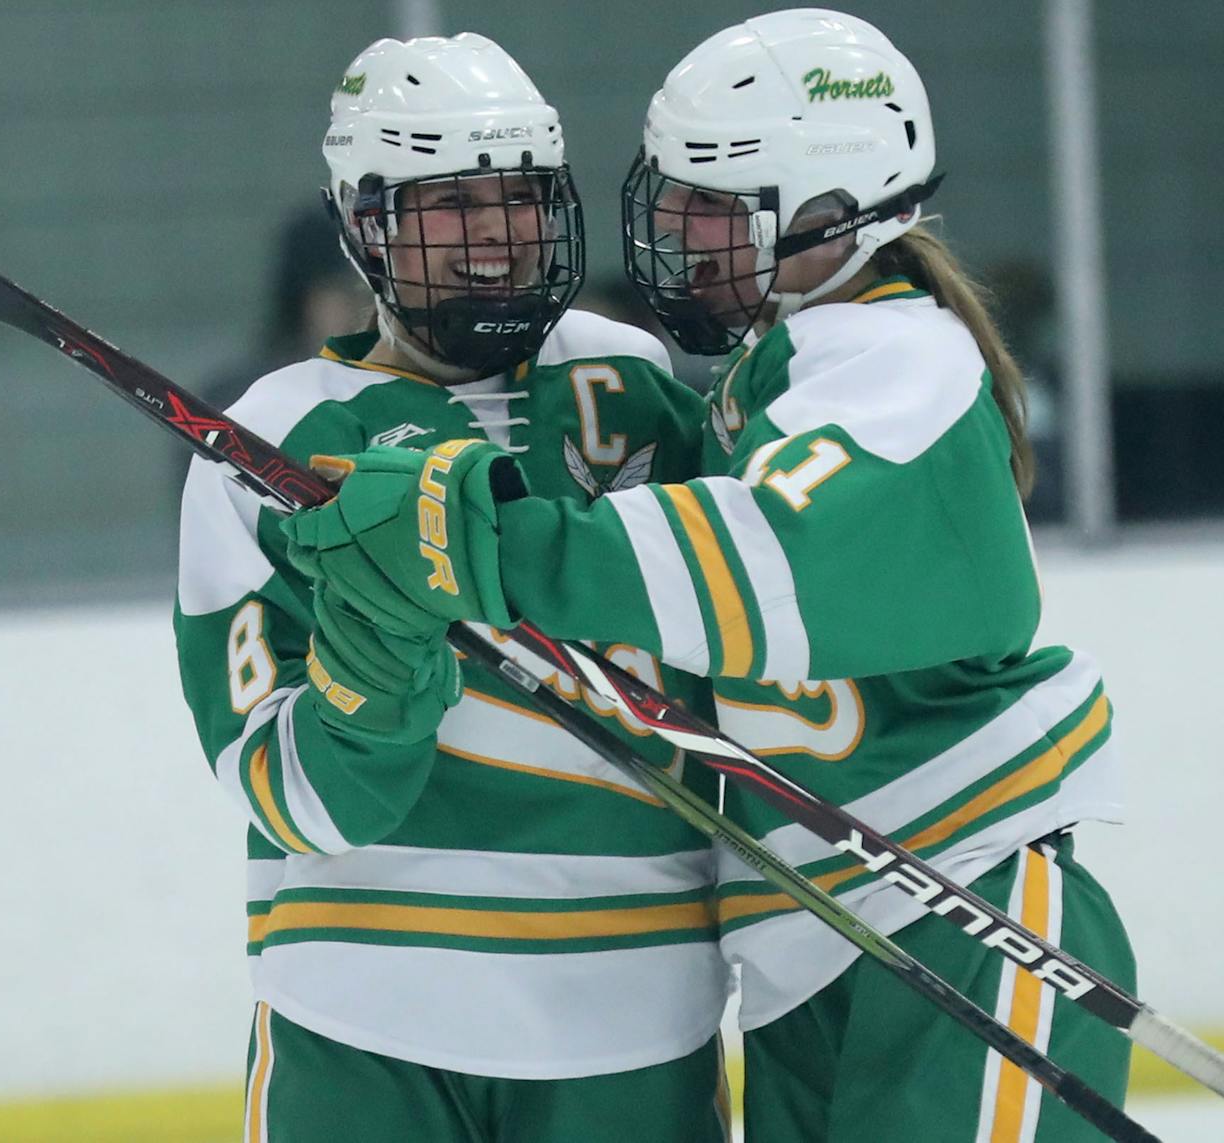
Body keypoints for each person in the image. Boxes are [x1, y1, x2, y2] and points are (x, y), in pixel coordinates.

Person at [285, 11, 1135, 1142]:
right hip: (808, 944)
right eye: (673, 195)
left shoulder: (904, 362)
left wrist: (481, 537)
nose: (679, 231)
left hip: (958, 897)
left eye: (714, 206)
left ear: (833, 213)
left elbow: (757, 562)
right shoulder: (765, 380)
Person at [174, 32, 732, 1143]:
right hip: (360, 1011)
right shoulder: (272, 442)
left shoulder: (633, 382)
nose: (494, 230)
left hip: (635, 1007)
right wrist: (376, 666)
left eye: (521, 195)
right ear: (363, 222)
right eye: (450, 200)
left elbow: (743, 648)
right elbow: (295, 802)